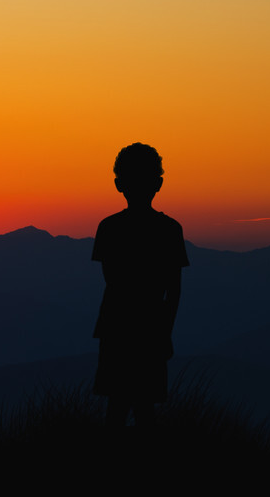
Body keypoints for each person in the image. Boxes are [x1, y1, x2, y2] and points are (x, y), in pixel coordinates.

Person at [91, 143, 189, 428]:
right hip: (150, 327)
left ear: (118, 184)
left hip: (116, 325)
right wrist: (165, 331)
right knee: (145, 407)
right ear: (158, 184)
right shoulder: (170, 229)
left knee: (116, 407)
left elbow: (112, 280)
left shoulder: (108, 228)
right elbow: (174, 291)